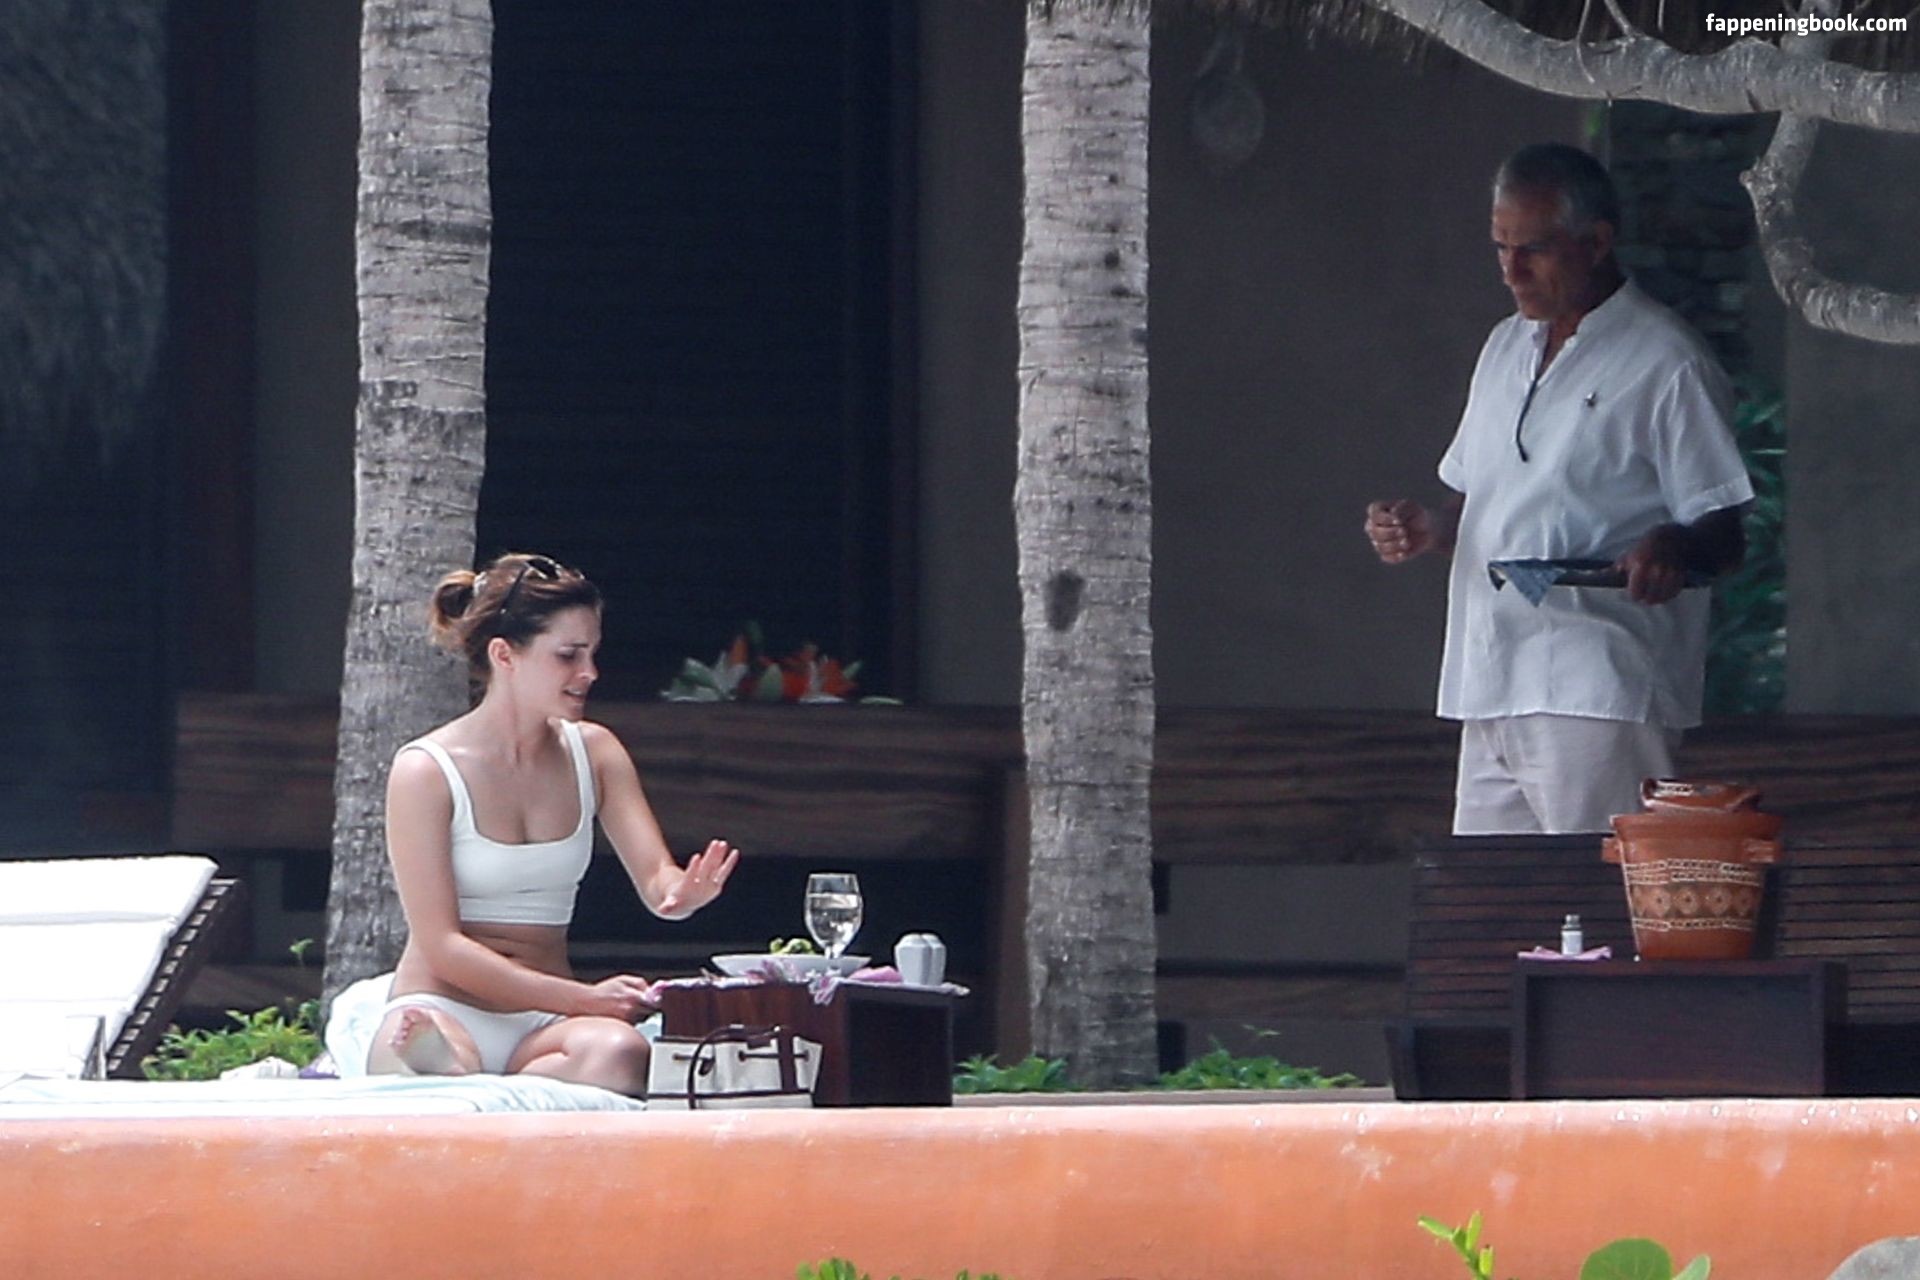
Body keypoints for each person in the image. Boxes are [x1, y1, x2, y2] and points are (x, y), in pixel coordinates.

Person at [1365, 143, 1754, 835]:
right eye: (1500, 248)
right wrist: (1431, 526)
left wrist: (1671, 544)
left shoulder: (1666, 361)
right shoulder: (1503, 347)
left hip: (1597, 686)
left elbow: (1725, 532)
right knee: (1491, 899)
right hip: (1489, 677)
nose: (1511, 270)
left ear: (1597, 242)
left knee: (1594, 894)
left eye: (1533, 250)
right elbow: (1485, 501)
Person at [364, 552, 739, 1093]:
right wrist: (586, 999)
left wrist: (682, 894)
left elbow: (659, 881)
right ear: (504, 655)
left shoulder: (596, 752)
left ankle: (481, 1080)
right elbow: (442, 944)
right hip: (445, 1003)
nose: (589, 673)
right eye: (568, 655)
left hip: (542, 1023)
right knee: (422, 1053)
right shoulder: (425, 771)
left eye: (591, 654)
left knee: (621, 1054)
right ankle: (452, 1065)